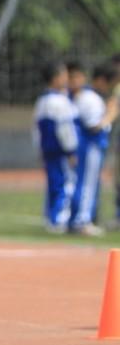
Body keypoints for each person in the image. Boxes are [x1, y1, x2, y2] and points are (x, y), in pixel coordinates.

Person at [67, 62, 118, 235]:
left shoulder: (85, 96)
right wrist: (110, 115)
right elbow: (94, 126)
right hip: (90, 146)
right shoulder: (91, 98)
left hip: (87, 146)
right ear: (102, 81)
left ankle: (79, 219)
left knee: (85, 183)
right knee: (87, 184)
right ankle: (82, 221)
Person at [34, 62, 78, 234]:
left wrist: (39, 148)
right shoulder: (60, 101)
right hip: (60, 152)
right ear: (56, 78)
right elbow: (65, 129)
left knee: (53, 184)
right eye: (64, 75)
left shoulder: (42, 100)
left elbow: (35, 129)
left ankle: (50, 217)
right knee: (64, 183)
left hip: (47, 151)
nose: (66, 79)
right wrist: (71, 151)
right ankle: (59, 219)